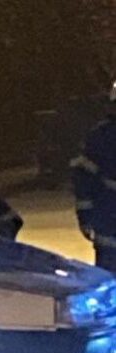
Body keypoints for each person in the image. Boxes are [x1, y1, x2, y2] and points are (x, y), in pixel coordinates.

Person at [72, 81, 116, 271]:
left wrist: (85, 217)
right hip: (109, 223)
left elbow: (83, 179)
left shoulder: (100, 135)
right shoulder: (101, 137)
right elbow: (83, 178)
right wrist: (85, 216)